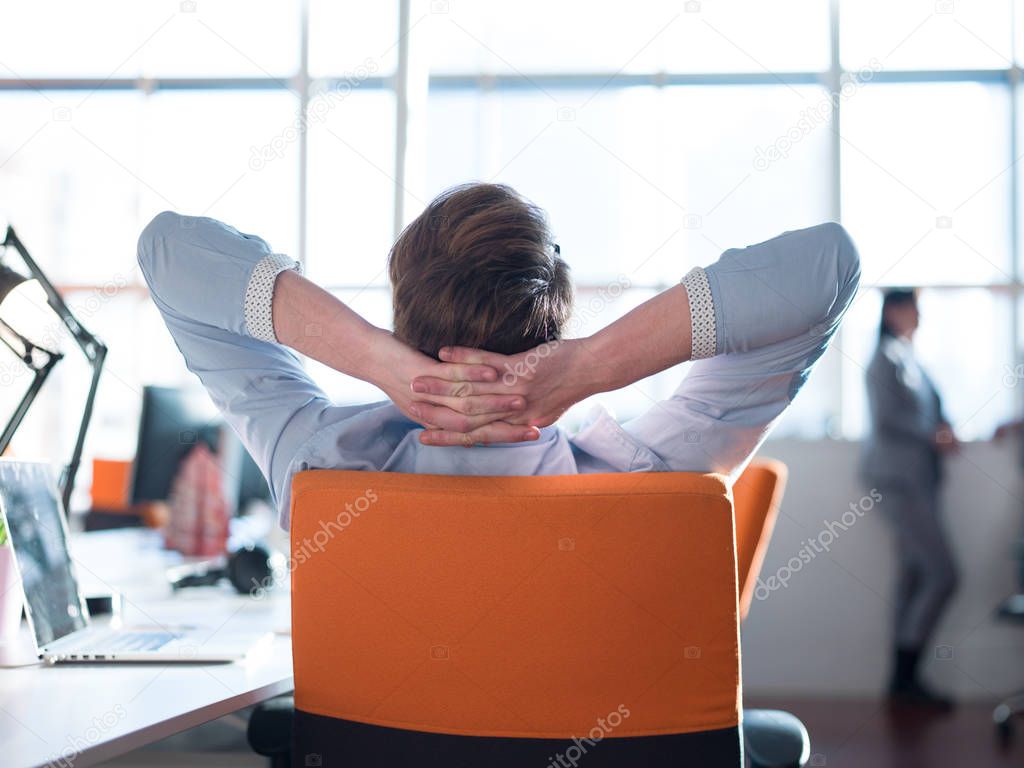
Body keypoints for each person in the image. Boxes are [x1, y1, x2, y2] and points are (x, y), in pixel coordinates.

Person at [137, 182, 860, 532]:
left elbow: (166, 251)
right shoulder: (652, 483)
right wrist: (588, 367)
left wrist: (378, 362)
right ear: (555, 325)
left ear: (401, 313)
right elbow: (827, 267)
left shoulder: (316, 465)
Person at [861, 288, 959, 711]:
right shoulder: (884, 359)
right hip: (899, 479)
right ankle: (907, 673)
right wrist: (933, 434)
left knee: (914, 574)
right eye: (913, 309)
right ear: (894, 311)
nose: (918, 317)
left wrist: (943, 426)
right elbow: (889, 418)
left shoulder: (908, 356)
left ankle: (902, 681)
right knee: (942, 572)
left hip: (919, 478)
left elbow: (930, 408)